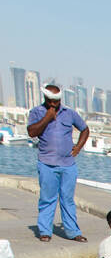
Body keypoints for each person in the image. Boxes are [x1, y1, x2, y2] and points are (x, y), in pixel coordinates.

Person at [26, 83, 90, 242]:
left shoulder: (70, 113)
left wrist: (78, 147)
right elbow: (32, 132)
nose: (53, 104)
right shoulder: (36, 112)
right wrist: (47, 118)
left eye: (56, 101)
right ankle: (45, 231)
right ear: (45, 98)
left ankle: (73, 231)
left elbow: (85, 129)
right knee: (47, 198)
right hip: (46, 163)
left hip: (68, 164)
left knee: (67, 199)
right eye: (50, 101)